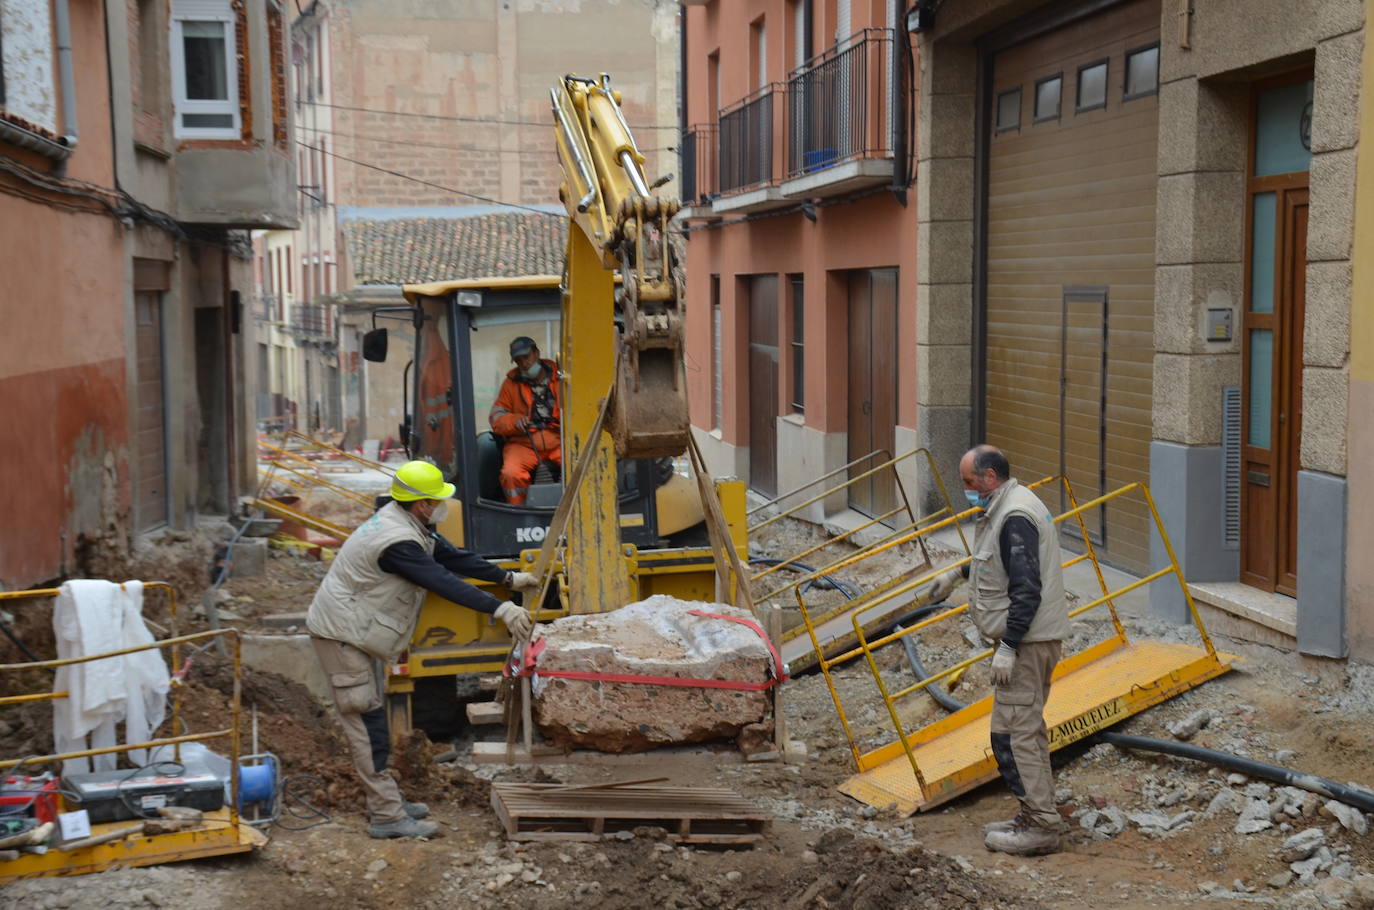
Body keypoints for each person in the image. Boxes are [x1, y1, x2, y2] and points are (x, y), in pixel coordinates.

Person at [305, 460, 541, 838]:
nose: (443, 505)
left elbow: (451, 557)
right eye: (438, 500)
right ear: (422, 505)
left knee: (372, 718)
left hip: (357, 632)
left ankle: (386, 802)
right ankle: (387, 816)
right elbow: (441, 580)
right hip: (342, 636)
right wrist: (500, 608)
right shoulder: (397, 543)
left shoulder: (409, 523)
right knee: (366, 724)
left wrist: (507, 578)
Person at [925, 445, 1069, 856]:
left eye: (970, 482)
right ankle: (1031, 812)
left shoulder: (1015, 515)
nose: (966, 489)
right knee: (1006, 733)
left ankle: (1041, 825)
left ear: (990, 478)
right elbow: (1004, 564)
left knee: (1021, 734)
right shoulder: (1007, 509)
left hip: (1026, 643)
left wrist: (1008, 646)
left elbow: (1027, 589)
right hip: (1022, 642)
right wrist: (960, 573)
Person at [489, 336, 561, 505]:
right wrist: (514, 421)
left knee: (581, 466)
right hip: (524, 443)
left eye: (526, 357)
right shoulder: (510, 384)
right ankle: (520, 513)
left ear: (536, 353)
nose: (524, 363)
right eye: (518, 360)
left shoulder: (561, 378)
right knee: (511, 474)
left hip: (560, 441)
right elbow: (496, 417)